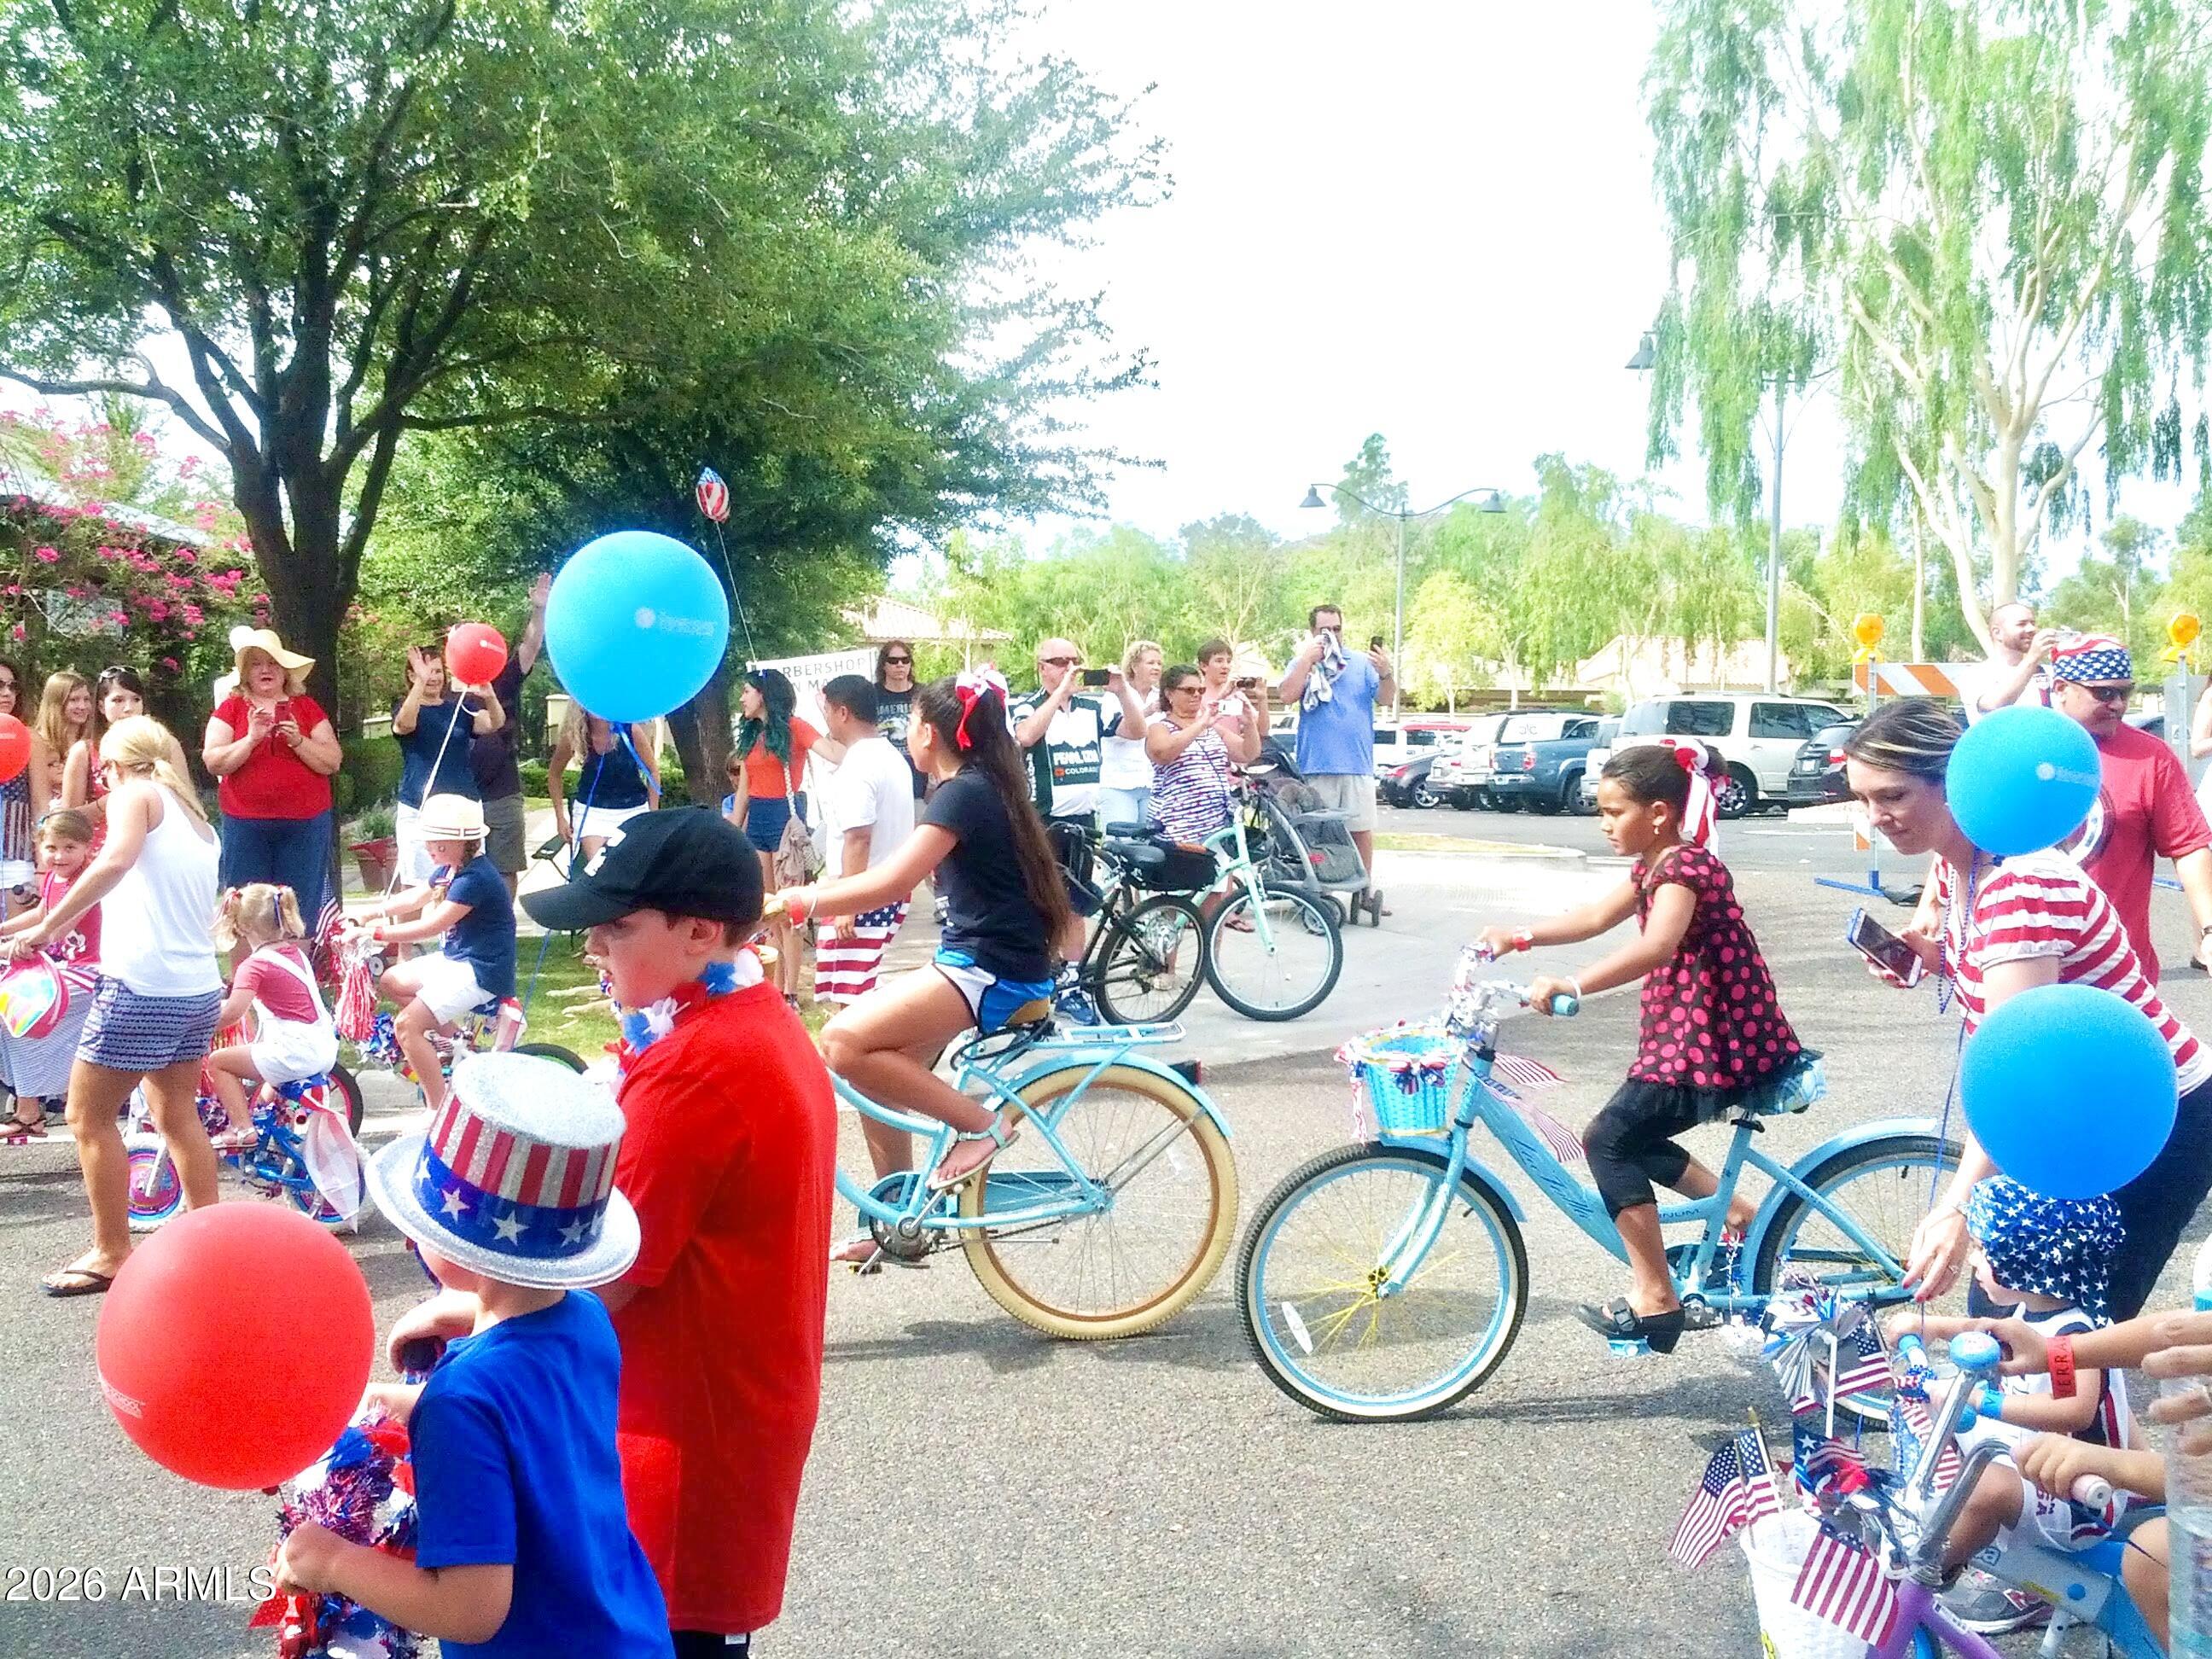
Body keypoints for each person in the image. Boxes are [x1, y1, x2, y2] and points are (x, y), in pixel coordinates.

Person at [463, 810, 825, 1656]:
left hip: (677, 1445)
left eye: (617, 927)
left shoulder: (694, 1068)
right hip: (721, 1416)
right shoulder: (745, 1019)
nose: (593, 945)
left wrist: (467, 1306)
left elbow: (599, 1279)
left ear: (699, 933)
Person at [277, 1055, 672, 1656]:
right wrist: (456, 1325)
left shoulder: (459, 1403)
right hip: (622, 1632)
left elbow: (469, 1608)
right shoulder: (588, 1319)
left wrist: (333, 1562)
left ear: (457, 1246)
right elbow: (528, 1405)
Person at [1844, 697, 2212, 1320]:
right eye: (1863, 799)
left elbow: (2017, 1074)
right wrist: (1935, 957)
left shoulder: (2021, 883)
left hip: (2148, 1118)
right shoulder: (1959, 865)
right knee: (2010, 1323)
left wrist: (1958, 1205)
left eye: (1893, 796)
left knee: (2062, 1334)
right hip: (2073, 1111)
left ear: (1956, 782)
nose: (1876, 817)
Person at [1476, 742, 1814, 1351]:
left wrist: (1574, 984)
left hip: (1716, 1040)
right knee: (1631, 1137)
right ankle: (1738, 1214)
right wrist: (1518, 936)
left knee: (1609, 1138)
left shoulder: (1685, 868)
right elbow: (1592, 918)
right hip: (1687, 1035)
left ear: (1658, 813)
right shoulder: (1654, 866)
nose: (1604, 824)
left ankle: (1656, 1297)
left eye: (1614, 811)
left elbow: (1658, 945)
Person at [777, 672, 1069, 1213]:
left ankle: (984, 1126)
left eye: (910, 721)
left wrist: (800, 900)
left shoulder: (964, 793)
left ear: (929, 732)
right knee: (874, 1080)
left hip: (988, 970)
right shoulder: (982, 785)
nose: (906, 732)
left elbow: (892, 881)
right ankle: (895, 1218)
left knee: (841, 1041)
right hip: (980, 962)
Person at [10, 717, 221, 1297]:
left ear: (114, 766)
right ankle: (210, 1241)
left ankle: (111, 1251)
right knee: (177, 1114)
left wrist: (50, 926)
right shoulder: (197, 818)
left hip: (140, 987)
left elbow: (113, 861)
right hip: (196, 988)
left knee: (87, 1117)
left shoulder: (137, 794)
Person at [1884, 1179, 2131, 1629]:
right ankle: (1943, 1538)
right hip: (2042, 1464)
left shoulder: (2073, 1334)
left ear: (2028, 1264)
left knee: (1988, 1486)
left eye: (1984, 1251)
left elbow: (2074, 1410)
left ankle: (1921, 1574)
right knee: (1940, 1429)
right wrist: (1933, 1327)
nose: (1973, 1260)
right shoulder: (2034, 1311)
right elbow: (1988, 1330)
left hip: (2079, 1499)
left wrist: (1983, 1400)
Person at [2044, 633, 2212, 977]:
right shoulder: (2021, 747)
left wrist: (2210, 929)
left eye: (2126, 692)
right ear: (2061, 689)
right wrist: (1934, 904)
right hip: (2025, 962)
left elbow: (2189, 847)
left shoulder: (2151, 756)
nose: (2119, 704)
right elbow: (1969, 832)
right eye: (2104, 693)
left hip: (2119, 970)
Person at [351, 795, 517, 1115]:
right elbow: (416, 897)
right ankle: (458, 1044)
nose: (429, 849)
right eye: (428, 842)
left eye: (436, 843)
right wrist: (371, 913)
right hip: (458, 960)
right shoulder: (451, 869)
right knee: (392, 981)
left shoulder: (474, 879)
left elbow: (431, 925)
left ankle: (437, 1111)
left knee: (407, 1026)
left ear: (462, 842)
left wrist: (373, 933)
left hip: (482, 970)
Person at [1010, 637, 1145, 968]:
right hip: (1043, 821)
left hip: (1083, 821)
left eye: (1075, 660)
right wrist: (1060, 694)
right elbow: (1026, 735)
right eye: (1060, 662)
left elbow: (1137, 730)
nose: (1070, 668)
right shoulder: (1028, 705)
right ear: (1042, 668)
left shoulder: (1092, 708)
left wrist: (1122, 691)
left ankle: (1072, 976)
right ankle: (1040, 971)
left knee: (1075, 905)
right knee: (1039, 904)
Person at [202, 629, 342, 921]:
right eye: (256, 664)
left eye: (273, 663)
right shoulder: (231, 708)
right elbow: (214, 762)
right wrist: (251, 739)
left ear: (285, 671)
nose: (265, 669)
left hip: (305, 823)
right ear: (245, 674)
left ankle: (296, 953)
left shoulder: (306, 707)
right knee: (245, 909)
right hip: (245, 823)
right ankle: (250, 955)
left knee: (299, 910)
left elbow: (332, 762)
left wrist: (299, 741)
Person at [727, 668, 843, 1007]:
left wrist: (830, 719)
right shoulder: (750, 734)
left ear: (763, 694)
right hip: (759, 818)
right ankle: (775, 989)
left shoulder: (795, 727)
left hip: (785, 817)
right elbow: (744, 790)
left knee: (789, 910)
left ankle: (791, 991)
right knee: (768, 909)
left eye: (747, 691)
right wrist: (731, 831)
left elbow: (835, 754)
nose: (742, 698)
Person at [205, 882, 341, 1151]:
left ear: (243, 927)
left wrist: (196, 1026)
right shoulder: (294, 953)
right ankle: (269, 1134)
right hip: (322, 1046)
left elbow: (233, 1012)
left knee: (218, 1062)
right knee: (261, 1094)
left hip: (295, 1053)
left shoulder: (254, 965)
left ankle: (242, 1130)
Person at [1275, 604, 1391, 913]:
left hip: (1357, 763)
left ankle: (1364, 894)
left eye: (1336, 629)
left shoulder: (1361, 663)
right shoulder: (1302, 663)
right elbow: (1286, 695)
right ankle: (1317, 895)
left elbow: (1386, 698)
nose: (1331, 636)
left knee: (1360, 830)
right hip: (1317, 765)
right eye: (1324, 630)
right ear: (1312, 631)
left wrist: (1386, 672)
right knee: (1317, 833)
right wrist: (1306, 662)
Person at [812, 676, 917, 1008]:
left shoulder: (859, 765)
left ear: (843, 713)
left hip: (862, 894)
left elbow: (858, 838)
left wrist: (847, 905)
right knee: (860, 990)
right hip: (883, 888)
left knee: (851, 998)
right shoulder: (890, 757)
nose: (827, 719)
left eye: (828, 711)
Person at [0, 810, 99, 1139]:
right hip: (68, 967)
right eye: (52, 848)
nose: (59, 856)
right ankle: (31, 1106)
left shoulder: (89, 880)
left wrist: (11, 947)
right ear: (39, 847)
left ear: (87, 847)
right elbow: (42, 914)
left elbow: (57, 929)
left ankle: (30, 1111)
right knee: (8, 1008)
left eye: (70, 847)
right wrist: (3, 930)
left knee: (20, 1009)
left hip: (94, 969)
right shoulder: (53, 878)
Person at [393, 644, 504, 886]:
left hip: (462, 807)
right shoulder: (406, 708)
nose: (433, 678)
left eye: (437, 671)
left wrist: (489, 696)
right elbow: (404, 725)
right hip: (420, 807)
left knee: (465, 880)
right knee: (416, 884)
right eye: (426, 672)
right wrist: (420, 683)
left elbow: (493, 723)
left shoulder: (459, 709)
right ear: (411, 675)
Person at [470, 574, 552, 897]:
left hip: (502, 794)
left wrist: (539, 610)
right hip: (460, 795)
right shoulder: (446, 692)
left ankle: (503, 922)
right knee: (460, 874)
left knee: (504, 869)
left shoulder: (503, 679)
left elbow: (530, 646)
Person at [1146, 662, 1260, 850]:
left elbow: (1247, 752)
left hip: (1217, 822)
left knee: (1223, 869)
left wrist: (1249, 724)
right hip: (1178, 824)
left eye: (1201, 690)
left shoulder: (1212, 728)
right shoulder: (1160, 728)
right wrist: (1201, 723)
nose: (1197, 695)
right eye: (1189, 690)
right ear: (1170, 694)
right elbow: (1163, 753)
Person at [548, 705, 659, 861]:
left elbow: (653, 771)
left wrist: (653, 815)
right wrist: (560, 818)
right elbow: (554, 774)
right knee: (599, 866)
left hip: (633, 809)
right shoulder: (575, 736)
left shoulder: (630, 731)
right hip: (592, 812)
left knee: (630, 865)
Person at [61, 665, 148, 835]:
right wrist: (117, 798)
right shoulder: (84, 752)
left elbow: (186, 804)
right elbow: (68, 821)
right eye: (118, 700)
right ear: (101, 706)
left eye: (136, 699)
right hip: (102, 845)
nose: (129, 708)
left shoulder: (162, 747)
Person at [1097, 639, 1163, 829]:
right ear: (1134, 666)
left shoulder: (1162, 696)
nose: (1156, 668)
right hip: (1119, 783)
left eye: (1159, 663)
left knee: (1152, 841)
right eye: (1150, 663)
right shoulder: (1113, 696)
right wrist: (1147, 711)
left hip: (1153, 783)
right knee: (1121, 841)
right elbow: (1116, 731)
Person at [1965, 600, 2058, 722]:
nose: (2032, 629)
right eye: (2021, 624)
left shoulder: (2050, 672)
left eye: (2033, 623)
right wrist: (2033, 657)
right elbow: (1992, 707)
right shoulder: (1975, 675)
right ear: (1997, 633)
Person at [0, 658, 45, 902]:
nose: (7, 693)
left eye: (12, 686)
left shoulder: (29, 738)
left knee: (15, 928)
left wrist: (43, 864)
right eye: (0, 685)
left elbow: (40, 803)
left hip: (15, 857)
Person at [872, 638, 925, 800]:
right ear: (884, 665)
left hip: (918, 777)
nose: (900, 665)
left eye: (905, 660)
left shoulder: (923, 693)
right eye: (893, 661)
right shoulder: (872, 695)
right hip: (884, 776)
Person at [29, 670, 87, 811]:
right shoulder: (38, 744)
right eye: (74, 700)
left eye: (86, 699)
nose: (82, 706)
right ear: (56, 703)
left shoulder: (90, 744)